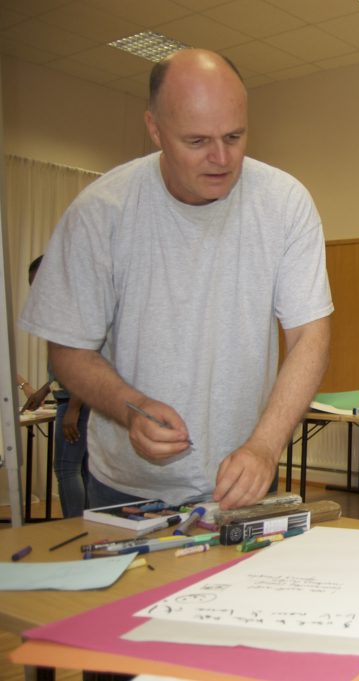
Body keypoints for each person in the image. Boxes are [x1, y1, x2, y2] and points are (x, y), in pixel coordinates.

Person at [19, 49, 332, 511]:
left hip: (244, 481)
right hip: (126, 490)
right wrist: (130, 409)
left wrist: (265, 445)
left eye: (234, 136)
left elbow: (310, 336)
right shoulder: (100, 213)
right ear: (154, 130)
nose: (221, 158)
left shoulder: (285, 203)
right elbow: (68, 349)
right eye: (197, 141)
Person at [20, 254, 92, 517]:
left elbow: (86, 360)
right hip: (72, 397)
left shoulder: (71, 311)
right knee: (81, 468)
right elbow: (65, 367)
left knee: (65, 468)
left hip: (76, 400)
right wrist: (45, 387)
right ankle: (85, 527)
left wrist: (73, 408)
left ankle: (75, 527)